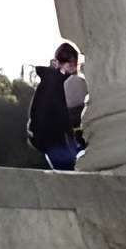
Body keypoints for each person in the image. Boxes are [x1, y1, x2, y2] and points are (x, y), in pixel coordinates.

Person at [26, 41, 87, 170]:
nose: (75, 70)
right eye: (74, 65)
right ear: (69, 63)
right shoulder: (57, 83)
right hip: (53, 140)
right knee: (75, 169)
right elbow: (62, 117)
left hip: (46, 140)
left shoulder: (50, 81)